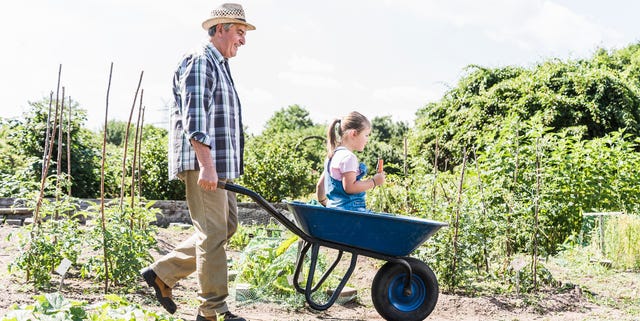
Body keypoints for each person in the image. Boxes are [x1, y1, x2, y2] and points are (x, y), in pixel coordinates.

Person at [140, 3, 255, 321]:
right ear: (220, 29)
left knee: (226, 226)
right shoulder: (201, 60)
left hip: (220, 164)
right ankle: (212, 311)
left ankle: (163, 272)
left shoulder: (220, 64)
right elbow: (195, 116)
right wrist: (206, 164)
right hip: (204, 161)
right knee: (212, 231)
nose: (243, 40)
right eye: (240, 32)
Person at [315, 111, 385, 211]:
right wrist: (374, 181)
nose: (367, 140)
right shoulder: (348, 157)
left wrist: (324, 202)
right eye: (366, 135)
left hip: (335, 211)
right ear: (354, 133)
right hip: (351, 213)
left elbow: (319, 186)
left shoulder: (332, 156)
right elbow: (350, 188)